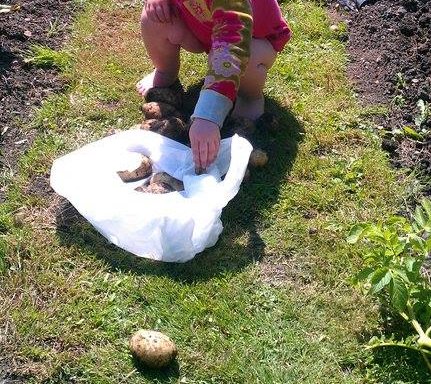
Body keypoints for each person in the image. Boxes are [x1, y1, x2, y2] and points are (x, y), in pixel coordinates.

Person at [136, 0, 291, 171]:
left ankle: (250, 98)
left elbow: (232, 47)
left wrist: (208, 116)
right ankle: (165, 71)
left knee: (248, 57)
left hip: (251, 38)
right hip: (204, 24)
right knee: (155, 15)